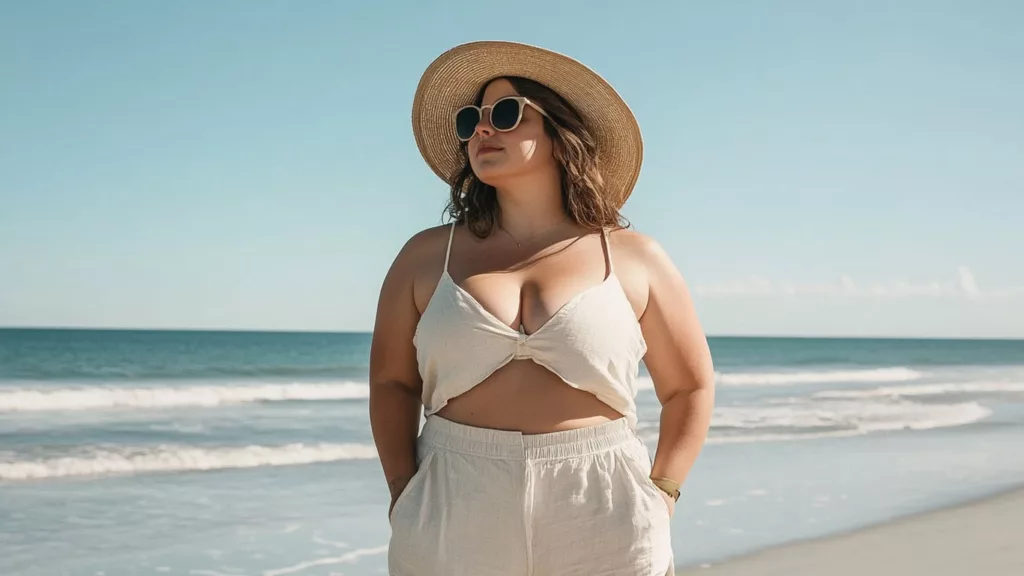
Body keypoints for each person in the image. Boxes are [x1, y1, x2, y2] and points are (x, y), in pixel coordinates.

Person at [369, 40, 715, 576]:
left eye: (506, 114)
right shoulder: (425, 255)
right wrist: (402, 492)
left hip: (603, 501)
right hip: (453, 499)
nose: (483, 129)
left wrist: (663, 493)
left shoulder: (634, 256)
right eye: (472, 119)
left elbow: (689, 386)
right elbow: (392, 382)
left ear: (560, 134)